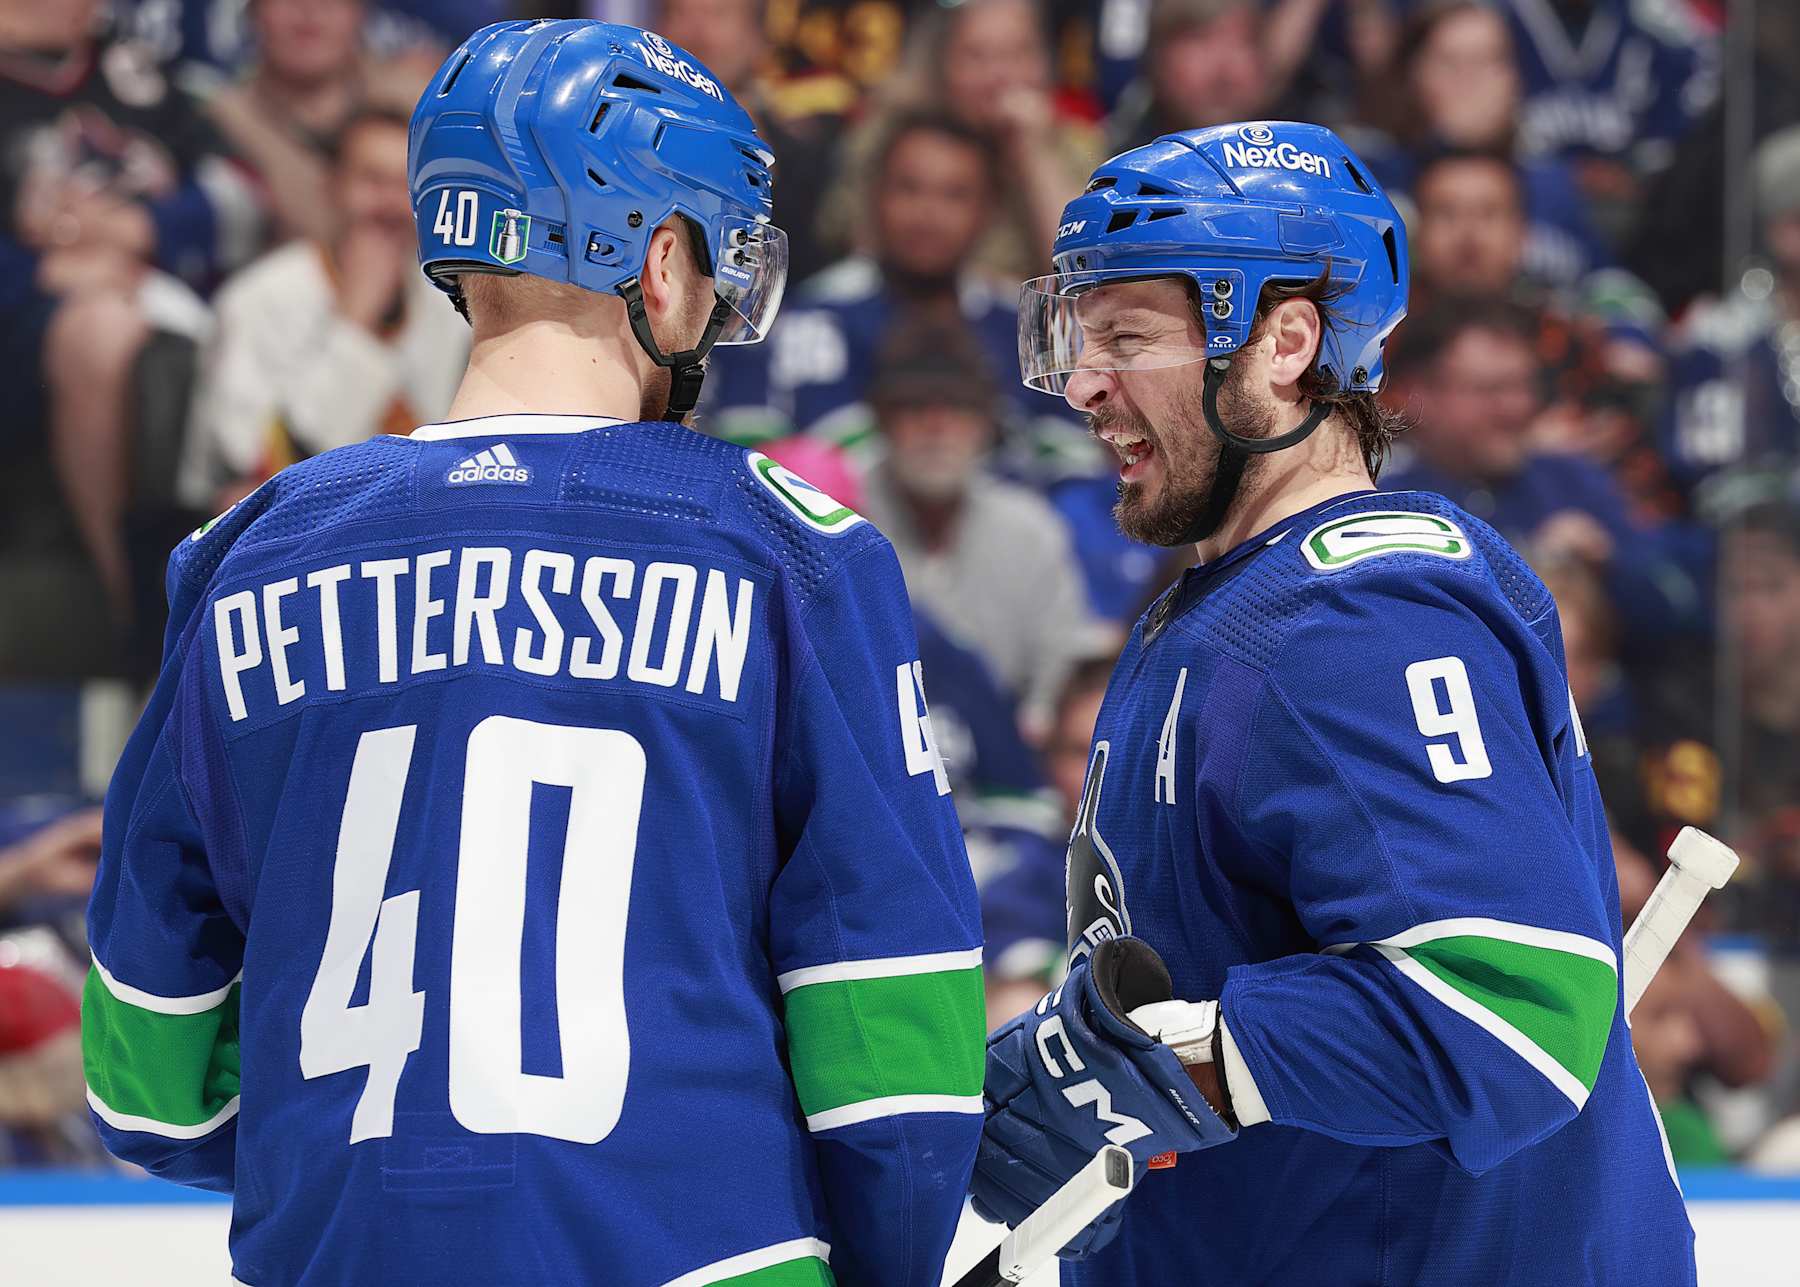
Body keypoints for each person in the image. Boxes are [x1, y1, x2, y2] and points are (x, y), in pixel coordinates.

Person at [81, 21, 984, 1287]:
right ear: (661, 263)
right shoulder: (794, 554)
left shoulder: (247, 553)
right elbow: (897, 1065)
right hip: (708, 1254)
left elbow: (150, 1084)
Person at [967, 121, 1696, 1283]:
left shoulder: (1359, 618)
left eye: (1126, 335)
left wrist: (1166, 1064)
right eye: (1074, 335)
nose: (1081, 382)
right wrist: (1089, 1061)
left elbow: (1514, 1010)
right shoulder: (1222, 606)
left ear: (1284, 342)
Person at [703, 110, 1090, 477]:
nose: (928, 214)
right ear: (874, 196)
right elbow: (741, 453)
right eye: (909, 188)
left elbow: (1078, 461)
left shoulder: (1027, 325)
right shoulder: (799, 318)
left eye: (954, 194)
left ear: (988, 210)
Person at [180, 105, 470, 513]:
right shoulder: (259, 299)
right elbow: (262, 473)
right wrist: (353, 324)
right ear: (331, 186)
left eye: (404, 187)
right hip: (293, 524)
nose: (388, 205)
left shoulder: (450, 302)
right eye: (371, 181)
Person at [857, 317, 1108, 730]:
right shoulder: (838, 518)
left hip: (1004, 770)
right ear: (882, 418)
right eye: (914, 406)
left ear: (986, 423)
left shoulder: (1030, 530)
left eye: (957, 406)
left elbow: (1057, 687)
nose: (936, 427)